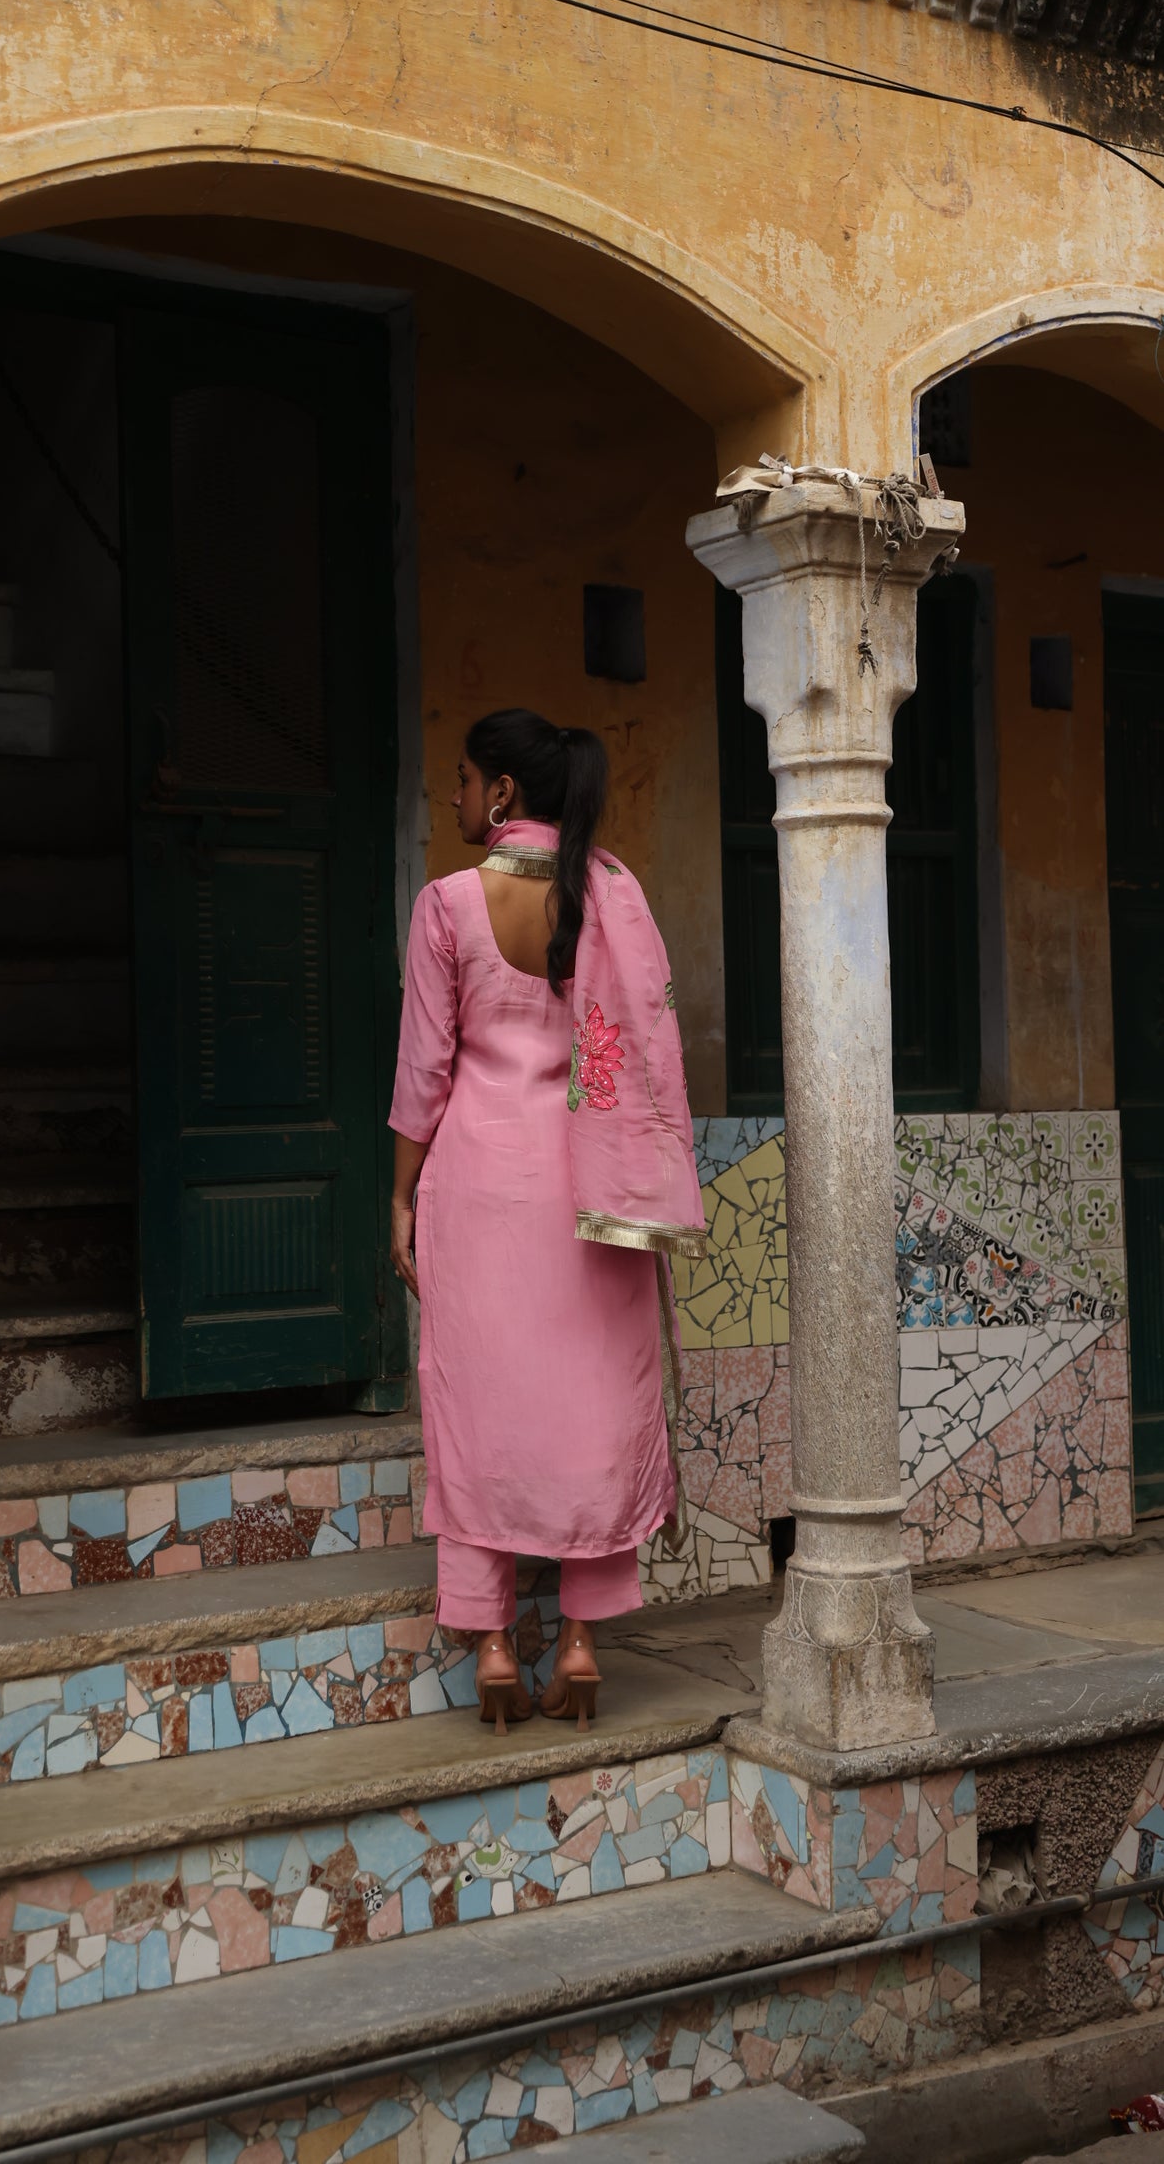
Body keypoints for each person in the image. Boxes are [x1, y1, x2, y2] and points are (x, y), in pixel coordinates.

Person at [389, 708, 705, 1737]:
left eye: (463, 778)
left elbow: (424, 1070)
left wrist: (398, 1193)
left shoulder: (446, 903)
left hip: (478, 1187)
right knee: (589, 1407)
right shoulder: (611, 894)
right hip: (593, 1195)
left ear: (504, 795)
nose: (452, 795)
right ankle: (577, 1639)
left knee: (476, 1411)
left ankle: (489, 1644)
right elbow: (649, 1044)